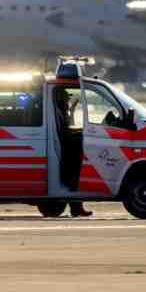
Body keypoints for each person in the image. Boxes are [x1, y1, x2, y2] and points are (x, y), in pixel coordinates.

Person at [54, 89, 92, 217]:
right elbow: (66, 133)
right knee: (77, 172)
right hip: (66, 147)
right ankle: (76, 207)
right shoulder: (59, 113)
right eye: (66, 99)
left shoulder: (61, 112)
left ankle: (76, 206)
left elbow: (69, 128)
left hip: (65, 144)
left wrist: (72, 110)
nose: (68, 101)